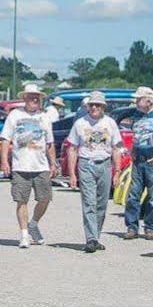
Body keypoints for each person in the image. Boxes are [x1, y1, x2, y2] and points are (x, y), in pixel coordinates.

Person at [0, 84, 56, 249]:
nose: (34, 99)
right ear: (24, 98)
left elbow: (50, 143)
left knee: (45, 199)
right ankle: (24, 235)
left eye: (37, 97)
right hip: (20, 165)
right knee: (21, 200)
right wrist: (4, 161)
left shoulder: (45, 118)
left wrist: (53, 163)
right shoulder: (15, 115)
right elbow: (5, 139)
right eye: (31, 97)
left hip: (41, 166)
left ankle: (33, 224)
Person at [65, 91, 120, 253]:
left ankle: (96, 236)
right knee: (89, 202)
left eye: (97, 105)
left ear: (103, 107)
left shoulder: (110, 123)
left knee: (102, 203)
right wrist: (72, 174)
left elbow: (116, 148)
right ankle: (91, 238)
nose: (94, 107)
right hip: (86, 163)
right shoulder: (80, 123)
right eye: (91, 105)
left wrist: (117, 171)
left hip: (104, 164)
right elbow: (72, 149)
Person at [122, 88, 153, 241]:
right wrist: (133, 152)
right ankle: (132, 227)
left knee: (152, 197)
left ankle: (150, 227)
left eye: (138, 99)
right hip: (138, 161)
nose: (136, 102)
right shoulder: (136, 115)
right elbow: (136, 135)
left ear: (148, 100)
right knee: (133, 194)